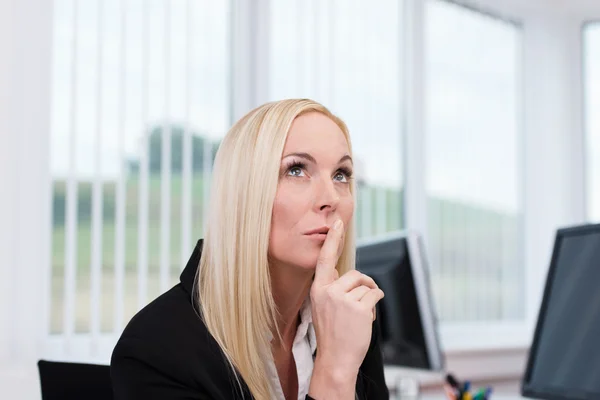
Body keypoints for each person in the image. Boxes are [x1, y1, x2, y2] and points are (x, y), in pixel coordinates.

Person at [111, 99, 389, 400]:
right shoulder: (157, 349)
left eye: (341, 175)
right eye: (296, 170)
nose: (330, 198)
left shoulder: (351, 318)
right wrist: (334, 373)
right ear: (245, 192)